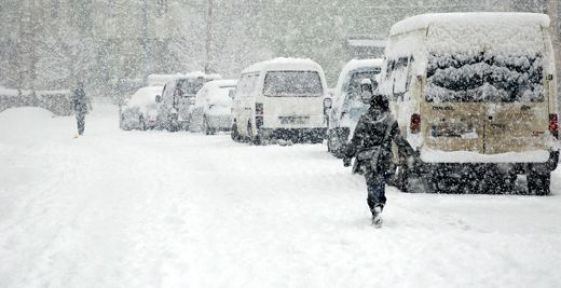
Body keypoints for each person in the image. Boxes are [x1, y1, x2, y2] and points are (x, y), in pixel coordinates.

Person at [343, 80, 412, 227]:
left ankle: (375, 207)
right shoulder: (390, 119)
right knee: (380, 182)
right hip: (384, 158)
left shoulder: (364, 119)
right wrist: (409, 153)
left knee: (372, 183)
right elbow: (398, 139)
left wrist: (348, 155)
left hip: (368, 158)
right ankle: (378, 206)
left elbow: (356, 139)